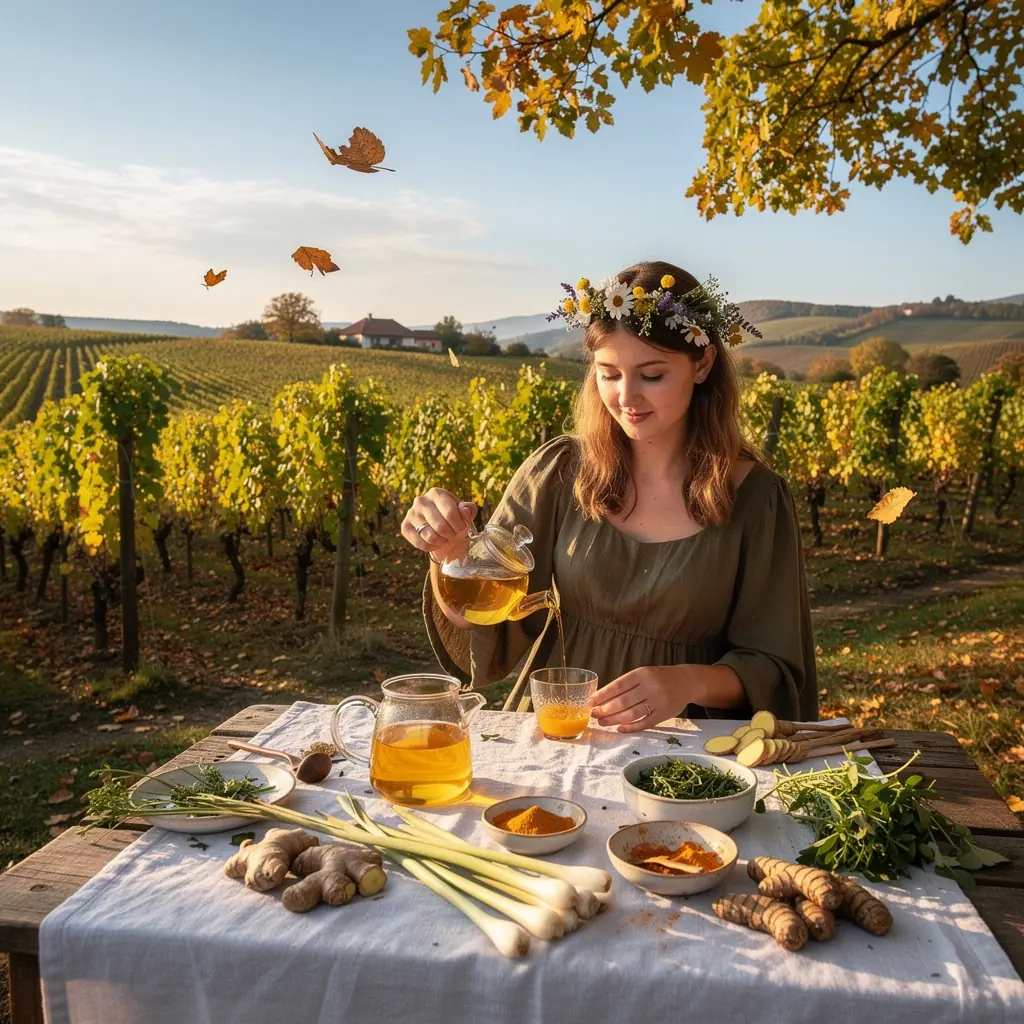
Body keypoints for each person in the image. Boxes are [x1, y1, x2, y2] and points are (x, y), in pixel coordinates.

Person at [401, 260, 817, 730]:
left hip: (688, 750)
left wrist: (686, 682)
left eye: (652, 375)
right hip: (560, 729)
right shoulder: (558, 472)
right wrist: (449, 554)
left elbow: (775, 668)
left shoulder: (757, 499)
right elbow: (488, 624)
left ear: (702, 363)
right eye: (609, 373)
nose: (626, 397)